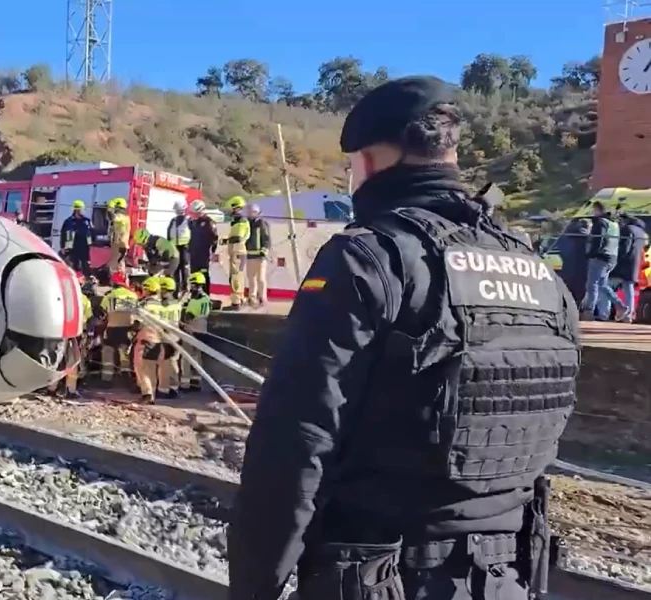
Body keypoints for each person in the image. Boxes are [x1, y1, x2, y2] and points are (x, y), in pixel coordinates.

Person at [228, 76, 581, 600]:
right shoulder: (537, 272)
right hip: (506, 579)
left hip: (382, 577)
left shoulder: (366, 260)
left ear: (368, 162)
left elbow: (294, 446)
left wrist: (255, 586)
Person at [582, 201, 621, 321]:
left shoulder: (600, 222)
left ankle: (589, 311)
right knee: (603, 285)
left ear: (599, 210)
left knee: (592, 284)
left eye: (594, 210)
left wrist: (591, 254)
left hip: (600, 256)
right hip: (612, 257)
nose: (593, 213)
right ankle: (621, 307)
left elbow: (598, 240)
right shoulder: (614, 223)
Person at [131, 276, 167, 404]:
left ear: (147, 290)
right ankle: (152, 394)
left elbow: (138, 323)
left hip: (144, 340)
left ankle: (147, 394)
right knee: (152, 369)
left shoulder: (143, 305)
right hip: (158, 340)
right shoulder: (162, 306)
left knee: (142, 368)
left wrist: (132, 333)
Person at [60, 271, 95, 399]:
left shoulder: (60, 295)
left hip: (59, 332)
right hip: (76, 333)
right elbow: (90, 318)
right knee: (73, 362)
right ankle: (71, 389)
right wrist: (90, 334)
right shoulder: (84, 299)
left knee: (57, 359)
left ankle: (51, 388)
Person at [98, 271, 138, 383]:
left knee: (108, 351)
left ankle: (107, 378)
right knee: (125, 352)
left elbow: (102, 312)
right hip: (128, 328)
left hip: (112, 328)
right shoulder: (133, 295)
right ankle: (126, 376)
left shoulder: (110, 296)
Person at [612, 213, 648, 322]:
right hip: (635, 264)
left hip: (623, 263)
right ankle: (629, 314)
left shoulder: (627, 230)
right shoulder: (642, 233)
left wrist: (617, 258)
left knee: (606, 285)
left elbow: (625, 248)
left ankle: (605, 312)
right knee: (629, 288)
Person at [179, 271, 211, 392]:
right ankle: (196, 381)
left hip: (191, 328)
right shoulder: (206, 298)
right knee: (197, 356)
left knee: (186, 356)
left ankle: (185, 383)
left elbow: (188, 316)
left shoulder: (195, 301)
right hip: (203, 328)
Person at [223, 195, 250, 310]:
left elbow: (237, 238)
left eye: (234, 209)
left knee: (235, 277)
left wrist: (227, 240)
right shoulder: (239, 222)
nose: (232, 212)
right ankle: (240, 299)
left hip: (237, 252)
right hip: (237, 252)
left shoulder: (241, 222)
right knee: (238, 276)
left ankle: (236, 303)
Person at [188, 199, 219, 294]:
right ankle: (194, 294)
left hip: (204, 254)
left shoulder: (209, 222)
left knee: (204, 274)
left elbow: (215, 238)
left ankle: (205, 295)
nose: (194, 215)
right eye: (193, 213)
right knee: (194, 275)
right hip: (193, 254)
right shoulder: (191, 222)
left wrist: (213, 252)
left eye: (196, 213)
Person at [158, 276, 182, 399]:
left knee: (164, 364)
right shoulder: (178, 304)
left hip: (165, 336)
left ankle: (163, 389)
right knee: (173, 362)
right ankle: (174, 387)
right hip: (176, 336)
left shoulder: (164, 305)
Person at [245, 203, 272, 307]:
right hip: (249, 255)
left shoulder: (262, 223)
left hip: (260, 256)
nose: (250, 214)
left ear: (257, 212)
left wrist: (264, 251)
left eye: (252, 212)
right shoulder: (247, 223)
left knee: (260, 278)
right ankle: (252, 297)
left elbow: (267, 239)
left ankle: (263, 298)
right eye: (249, 212)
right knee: (251, 278)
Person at [60, 200, 94, 275]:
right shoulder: (68, 221)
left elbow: (93, 232)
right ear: (77, 210)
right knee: (74, 264)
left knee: (86, 265)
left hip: (85, 247)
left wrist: (93, 244)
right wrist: (62, 247)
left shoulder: (87, 221)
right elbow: (63, 234)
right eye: (81, 209)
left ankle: (87, 280)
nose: (83, 211)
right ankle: (76, 279)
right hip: (73, 247)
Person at [167, 202, 193, 295]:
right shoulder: (173, 221)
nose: (179, 212)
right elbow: (169, 234)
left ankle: (185, 288)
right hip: (175, 248)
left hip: (185, 248)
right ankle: (176, 288)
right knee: (176, 268)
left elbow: (193, 234)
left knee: (185, 268)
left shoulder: (189, 221)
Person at [107, 197, 131, 278]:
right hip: (121, 244)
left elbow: (112, 217)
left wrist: (110, 208)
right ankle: (120, 278)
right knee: (120, 262)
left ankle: (117, 279)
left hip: (119, 244)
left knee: (116, 263)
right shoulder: (125, 217)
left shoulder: (122, 217)